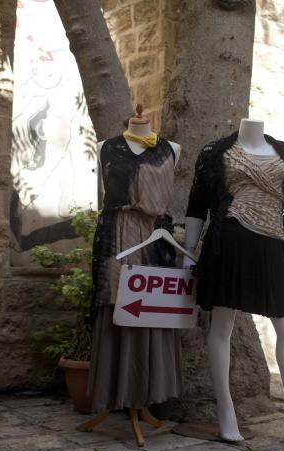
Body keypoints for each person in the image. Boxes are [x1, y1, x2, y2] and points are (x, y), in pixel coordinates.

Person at [183, 118, 284, 447]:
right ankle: (226, 410)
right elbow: (197, 207)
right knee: (222, 326)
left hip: (274, 246)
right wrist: (188, 252)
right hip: (229, 242)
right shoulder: (215, 153)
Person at [87, 108, 184, 413]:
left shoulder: (172, 150)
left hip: (156, 240)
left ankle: (148, 393)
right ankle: (115, 393)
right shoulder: (106, 147)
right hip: (116, 234)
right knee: (117, 305)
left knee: (152, 308)